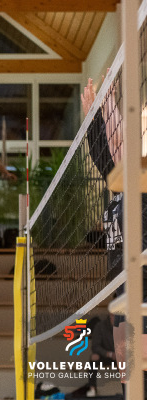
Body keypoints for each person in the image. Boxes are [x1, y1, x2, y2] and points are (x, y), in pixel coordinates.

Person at [81, 76, 147, 396]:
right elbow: (104, 154)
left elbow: (121, 146)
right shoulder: (120, 185)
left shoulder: (141, 184)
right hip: (123, 295)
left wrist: (109, 106)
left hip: (143, 292)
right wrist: (94, 116)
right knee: (129, 384)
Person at [86, 314, 116, 397]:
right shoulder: (100, 326)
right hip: (105, 355)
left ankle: (128, 390)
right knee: (94, 357)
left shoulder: (124, 325)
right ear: (110, 315)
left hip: (120, 355)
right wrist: (108, 354)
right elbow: (95, 346)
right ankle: (92, 388)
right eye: (113, 315)